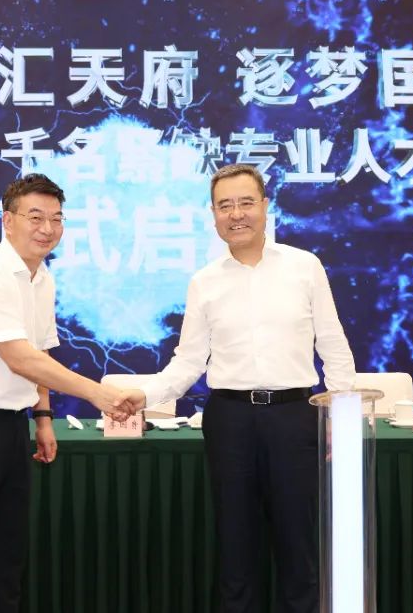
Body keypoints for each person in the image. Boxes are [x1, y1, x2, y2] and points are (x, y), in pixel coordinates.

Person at [124, 164, 356, 613]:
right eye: (224, 206)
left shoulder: (304, 267)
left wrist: (340, 413)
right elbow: (189, 360)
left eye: (246, 202)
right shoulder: (205, 281)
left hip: (293, 417)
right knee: (236, 545)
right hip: (230, 420)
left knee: (298, 543)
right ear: (213, 215)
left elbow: (333, 344)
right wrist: (146, 395)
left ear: (265, 206)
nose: (236, 214)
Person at [0, 173, 131, 613]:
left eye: (56, 219)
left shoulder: (41, 278)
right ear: (8, 220)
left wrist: (43, 418)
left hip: (11, 426)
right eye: (35, 217)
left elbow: (39, 351)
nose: (47, 228)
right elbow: (19, 358)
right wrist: (97, 394)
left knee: (6, 551)